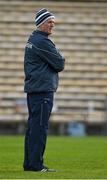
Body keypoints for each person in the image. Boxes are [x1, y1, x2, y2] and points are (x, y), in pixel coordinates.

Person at [23, 8, 65, 172]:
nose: (52, 25)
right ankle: (36, 165)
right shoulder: (42, 42)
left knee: (33, 128)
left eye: (53, 21)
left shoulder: (34, 39)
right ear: (41, 24)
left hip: (35, 90)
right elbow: (60, 64)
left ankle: (29, 163)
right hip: (42, 91)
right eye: (49, 21)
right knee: (39, 128)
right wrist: (59, 56)